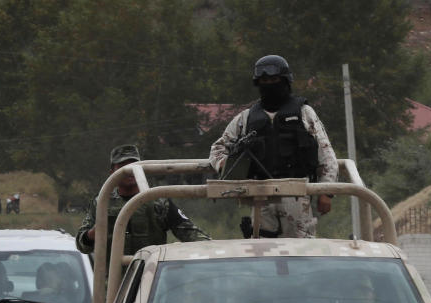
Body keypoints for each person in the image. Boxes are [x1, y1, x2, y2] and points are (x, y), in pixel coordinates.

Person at [209, 55, 338, 238]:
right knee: (262, 253)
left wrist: (326, 192)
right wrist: (226, 165)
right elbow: (217, 149)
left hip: (296, 192)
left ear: (285, 81)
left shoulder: (304, 113)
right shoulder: (246, 118)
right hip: (259, 195)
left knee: (301, 252)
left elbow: (325, 154)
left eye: (274, 80)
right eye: (264, 81)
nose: (269, 84)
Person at [76, 144, 210, 260]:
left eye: (134, 165)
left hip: (149, 282)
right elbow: (82, 245)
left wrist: (215, 250)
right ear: (112, 172)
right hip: (113, 285)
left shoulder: (158, 202)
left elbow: (191, 234)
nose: (129, 170)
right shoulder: (102, 202)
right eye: (122, 166)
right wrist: (94, 233)